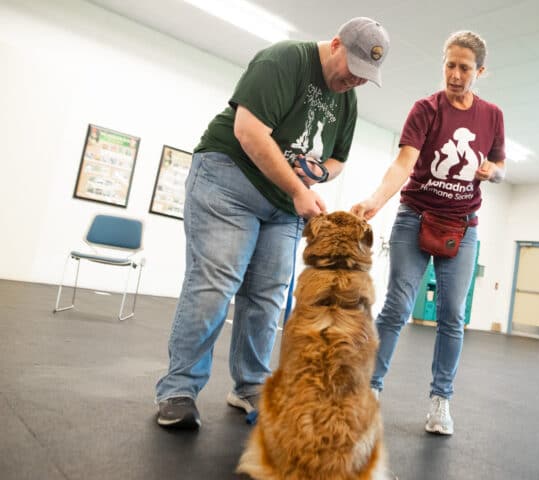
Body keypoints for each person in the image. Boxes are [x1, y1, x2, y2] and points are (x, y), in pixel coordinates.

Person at [155, 17, 391, 429]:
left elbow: (337, 161)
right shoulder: (286, 60)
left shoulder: (347, 101)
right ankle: (179, 390)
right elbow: (249, 132)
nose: (354, 81)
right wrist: (299, 191)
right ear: (335, 44)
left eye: (364, 78)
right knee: (215, 284)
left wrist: (318, 174)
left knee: (268, 297)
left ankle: (250, 386)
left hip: (282, 205)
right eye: (352, 70)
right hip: (230, 181)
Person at [351, 30, 505, 436]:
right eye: (450, 65)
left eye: (465, 68)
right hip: (415, 216)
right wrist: (376, 200)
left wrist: (494, 171)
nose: (455, 75)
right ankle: (370, 390)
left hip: (463, 227)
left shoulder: (492, 116)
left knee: (452, 315)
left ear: (480, 72)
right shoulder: (426, 108)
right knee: (398, 307)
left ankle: (440, 402)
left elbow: (500, 167)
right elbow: (404, 163)